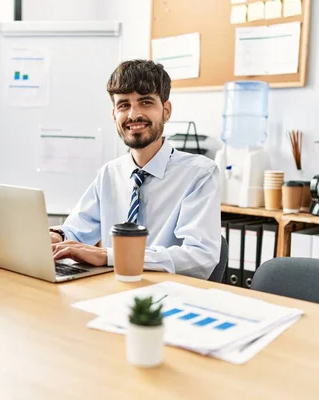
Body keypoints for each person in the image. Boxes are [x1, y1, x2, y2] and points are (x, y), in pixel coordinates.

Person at [49, 59, 221, 278]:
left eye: (146, 102)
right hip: (111, 289)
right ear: (114, 115)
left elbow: (200, 256)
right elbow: (76, 229)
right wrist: (56, 236)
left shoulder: (199, 174)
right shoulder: (110, 173)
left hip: (167, 296)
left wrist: (110, 256)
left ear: (166, 111)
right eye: (124, 105)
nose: (133, 115)